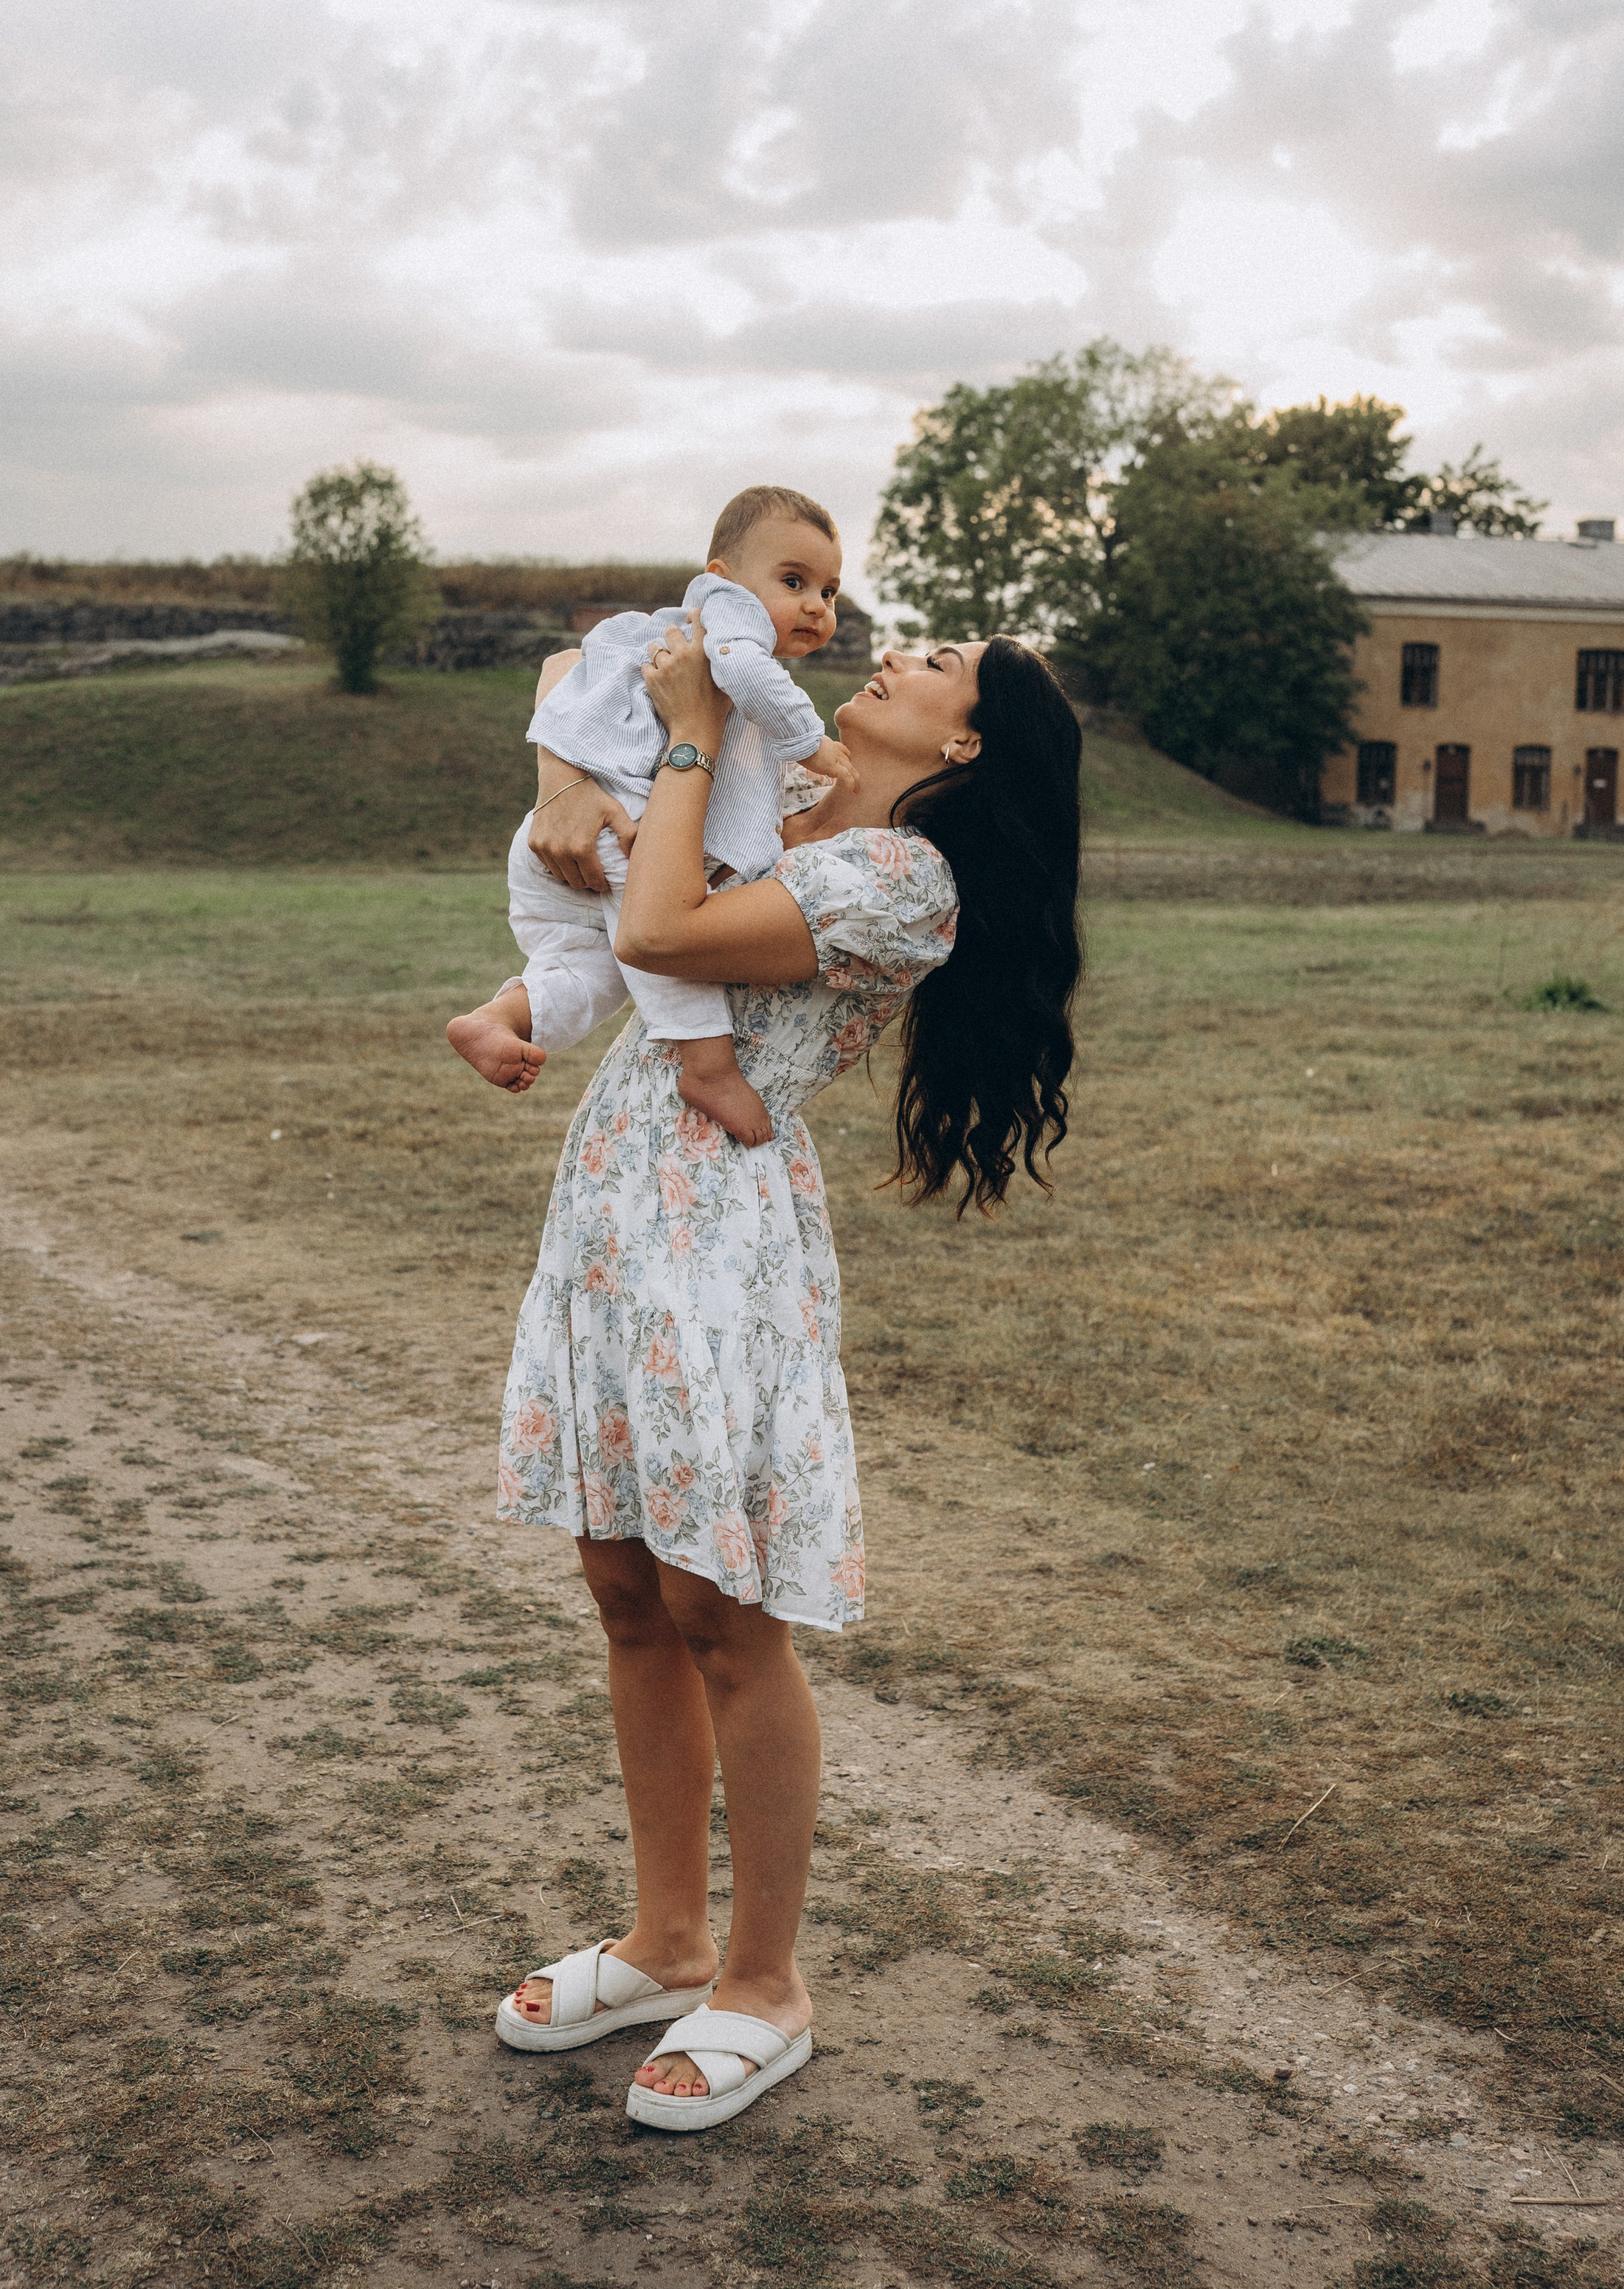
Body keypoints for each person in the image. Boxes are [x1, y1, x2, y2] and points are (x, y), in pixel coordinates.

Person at [479, 619, 1083, 2131]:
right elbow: (585, 687)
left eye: (943, 662)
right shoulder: (785, 797)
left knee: (721, 1612)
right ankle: (666, 1937)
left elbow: (664, 935)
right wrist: (593, 756)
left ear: (965, 748)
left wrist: (684, 738)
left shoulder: (901, 884)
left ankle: (762, 1982)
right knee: (620, 1582)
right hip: (615, 1200)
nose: (898, 649)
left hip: (720, 1235)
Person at [445, 485, 857, 1147]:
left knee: (596, 969)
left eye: (830, 592)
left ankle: (505, 1016)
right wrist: (811, 742)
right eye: (793, 580)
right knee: (668, 944)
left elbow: (564, 666)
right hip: (617, 828)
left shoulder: (713, 649)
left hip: (572, 841)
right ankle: (709, 1067)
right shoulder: (729, 627)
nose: (816, 604)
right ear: (722, 579)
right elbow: (748, 676)